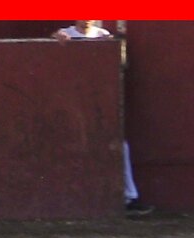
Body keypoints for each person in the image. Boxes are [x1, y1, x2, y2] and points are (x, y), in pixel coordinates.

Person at [52, 21, 154, 216]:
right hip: (71, 105)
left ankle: (129, 197)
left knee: (120, 146)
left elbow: (119, 64)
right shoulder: (66, 34)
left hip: (98, 105)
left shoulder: (103, 35)